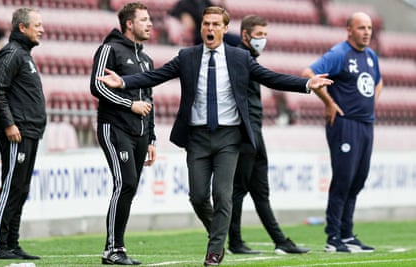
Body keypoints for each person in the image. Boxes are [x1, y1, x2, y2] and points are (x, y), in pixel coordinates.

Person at [96, 6, 333, 266]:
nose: (209, 28)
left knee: (222, 194)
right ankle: (219, 233)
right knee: (198, 196)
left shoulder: (239, 57)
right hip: (197, 137)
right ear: (202, 28)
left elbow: (271, 78)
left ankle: (215, 249)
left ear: (224, 28)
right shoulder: (187, 56)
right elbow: (156, 76)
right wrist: (125, 83)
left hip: (228, 138)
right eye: (206, 24)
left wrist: (306, 84)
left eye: (215, 24)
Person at [227, 15, 309, 256]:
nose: (263, 39)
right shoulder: (241, 59)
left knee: (260, 191)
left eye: (265, 35)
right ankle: (234, 242)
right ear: (245, 36)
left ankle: (280, 241)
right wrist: (305, 84)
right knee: (239, 189)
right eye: (259, 34)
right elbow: (274, 79)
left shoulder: (248, 58)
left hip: (256, 133)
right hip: (245, 133)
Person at [301, 12, 382, 253]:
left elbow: (378, 82)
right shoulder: (339, 53)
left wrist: (369, 103)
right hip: (345, 124)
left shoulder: (371, 56)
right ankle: (333, 237)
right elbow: (308, 73)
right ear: (349, 30)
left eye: (369, 27)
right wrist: (327, 102)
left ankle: (347, 235)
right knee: (343, 179)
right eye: (361, 28)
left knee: (358, 180)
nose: (367, 32)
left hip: (366, 124)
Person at [90, 2, 156, 265]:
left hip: (140, 133)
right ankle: (113, 249)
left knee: (129, 186)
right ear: (129, 23)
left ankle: (117, 247)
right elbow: (97, 86)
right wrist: (129, 104)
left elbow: (150, 99)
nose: (150, 24)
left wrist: (151, 138)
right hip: (114, 126)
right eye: (144, 19)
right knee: (125, 183)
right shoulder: (109, 49)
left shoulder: (147, 59)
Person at [0, 7, 45, 260]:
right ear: (22, 28)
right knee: (11, 186)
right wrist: (9, 124)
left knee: (21, 188)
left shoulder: (24, 55)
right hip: (17, 132)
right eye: (37, 25)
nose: (42, 29)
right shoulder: (11, 53)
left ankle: (12, 243)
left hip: (29, 131)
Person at [168, 0, 239, 46]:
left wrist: (222, 3)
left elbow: (220, 13)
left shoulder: (204, 2)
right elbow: (175, 14)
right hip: (200, 34)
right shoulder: (184, 3)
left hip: (213, 32)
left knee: (236, 40)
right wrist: (183, 15)